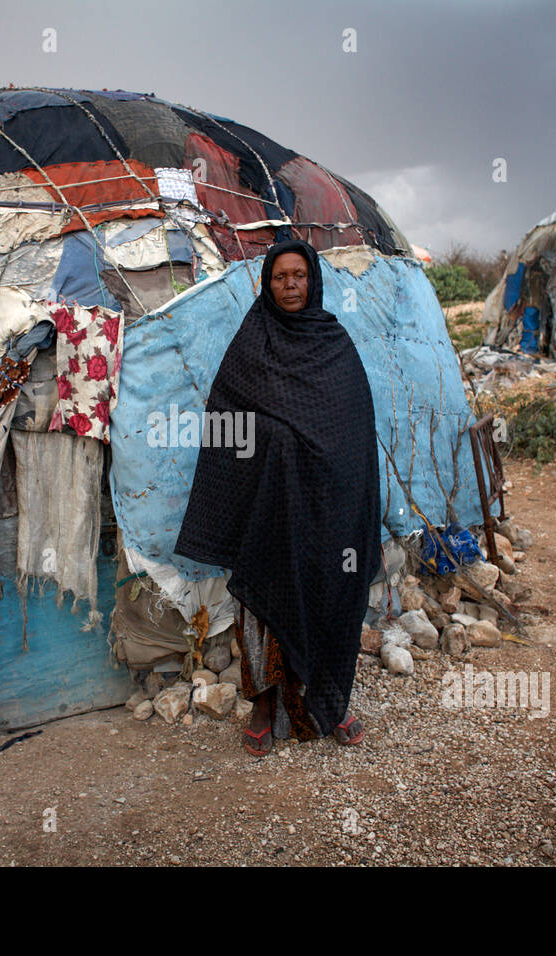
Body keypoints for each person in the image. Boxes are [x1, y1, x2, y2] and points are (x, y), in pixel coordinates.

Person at [173, 238, 381, 756]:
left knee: (332, 599)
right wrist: (276, 442)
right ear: (267, 284)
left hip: (326, 514)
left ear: (313, 281)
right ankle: (264, 704)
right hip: (267, 512)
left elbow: (353, 430)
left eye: (299, 276)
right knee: (264, 605)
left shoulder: (334, 344)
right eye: (279, 277)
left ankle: (331, 701)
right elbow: (226, 426)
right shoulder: (252, 344)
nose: (290, 286)